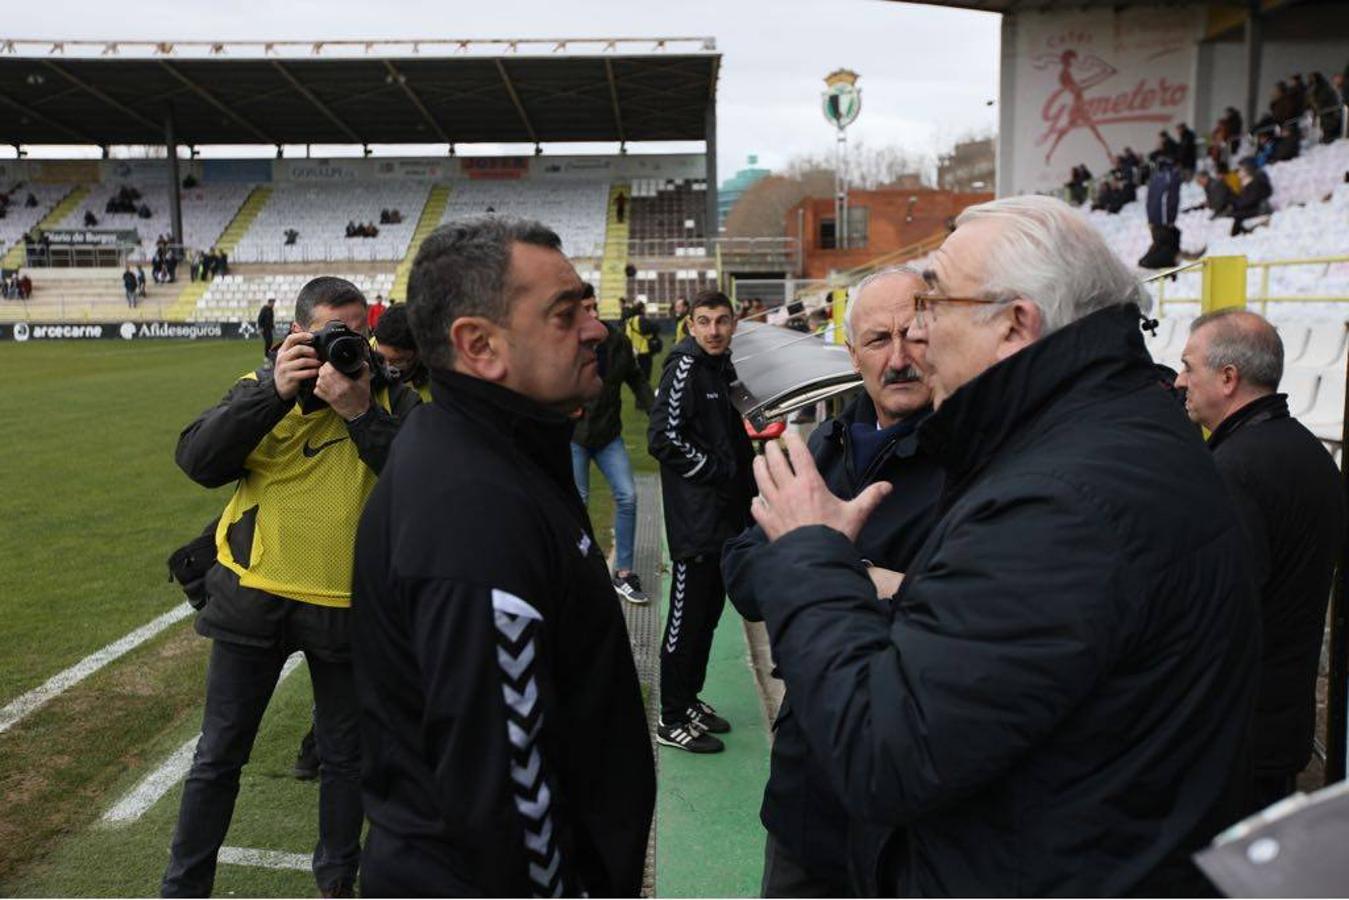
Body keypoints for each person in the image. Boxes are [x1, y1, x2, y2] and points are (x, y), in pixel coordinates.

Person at [737, 195, 1259, 895]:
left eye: (932, 305)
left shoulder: (1062, 499)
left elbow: (885, 756)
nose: (917, 340)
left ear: (1014, 325)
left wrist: (810, 553)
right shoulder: (1103, 440)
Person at [351, 217, 654, 896]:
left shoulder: (500, 451)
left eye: (588, 306)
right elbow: (507, 795)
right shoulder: (472, 508)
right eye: (564, 312)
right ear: (479, 346)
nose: (595, 330)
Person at [162, 277, 420, 898]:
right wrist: (276, 390)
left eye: (358, 332)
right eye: (331, 331)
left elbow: (421, 486)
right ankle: (183, 888)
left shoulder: (393, 399)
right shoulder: (261, 387)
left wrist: (358, 410)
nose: (346, 343)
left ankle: (335, 883)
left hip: (344, 606)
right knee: (219, 756)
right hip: (255, 600)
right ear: (296, 334)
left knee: (344, 760)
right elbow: (198, 461)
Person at [723, 266, 944, 897]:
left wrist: (812, 561)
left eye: (915, 335)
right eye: (879, 340)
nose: (898, 358)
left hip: (909, 787)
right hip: (805, 780)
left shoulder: (974, 457)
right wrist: (865, 575)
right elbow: (741, 570)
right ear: (852, 355)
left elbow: (949, 611)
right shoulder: (827, 439)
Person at [1174, 309, 1346, 811]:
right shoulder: (1309, 453)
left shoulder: (1235, 469)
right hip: (1276, 725)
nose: (1181, 380)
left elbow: (1217, 614)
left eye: (1189, 366)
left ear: (1228, 378)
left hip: (1235, 738)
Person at [647, 290, 756, 753]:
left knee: (708, 617)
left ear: (734, 324)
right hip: (696, 521)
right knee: (685, 620)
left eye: (722, 321)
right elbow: (663, 439)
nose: (713, 330)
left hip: (724, 519)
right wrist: (717, 471)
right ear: (690, 324)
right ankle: (670, 718)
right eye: (705, 321)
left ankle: (688, 699)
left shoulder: (720, 365)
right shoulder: (685, 367)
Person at [571, 282, 655, 603]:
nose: (593, 314)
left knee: (628, 496)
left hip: (608, 435)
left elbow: (636, 377)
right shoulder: (559, 343)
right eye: (585, 309)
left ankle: (623, 573)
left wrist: (657, 416)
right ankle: (580, 572)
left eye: (594, 307)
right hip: (573, 437)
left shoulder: (616, 341)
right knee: (577, 503)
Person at [371, 303, 430, 401]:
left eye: (397, 361)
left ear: (419, 352)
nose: (387, 367)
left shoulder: (439, 383)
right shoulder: (364, 354)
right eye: (380, 358)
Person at [624, 300, 657, 383]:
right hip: (644, 350)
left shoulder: (629, 320)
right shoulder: (641, 319)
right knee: (645, 375)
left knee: (636, 374)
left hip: (633, 350)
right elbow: (652, 329)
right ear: (642, 309)